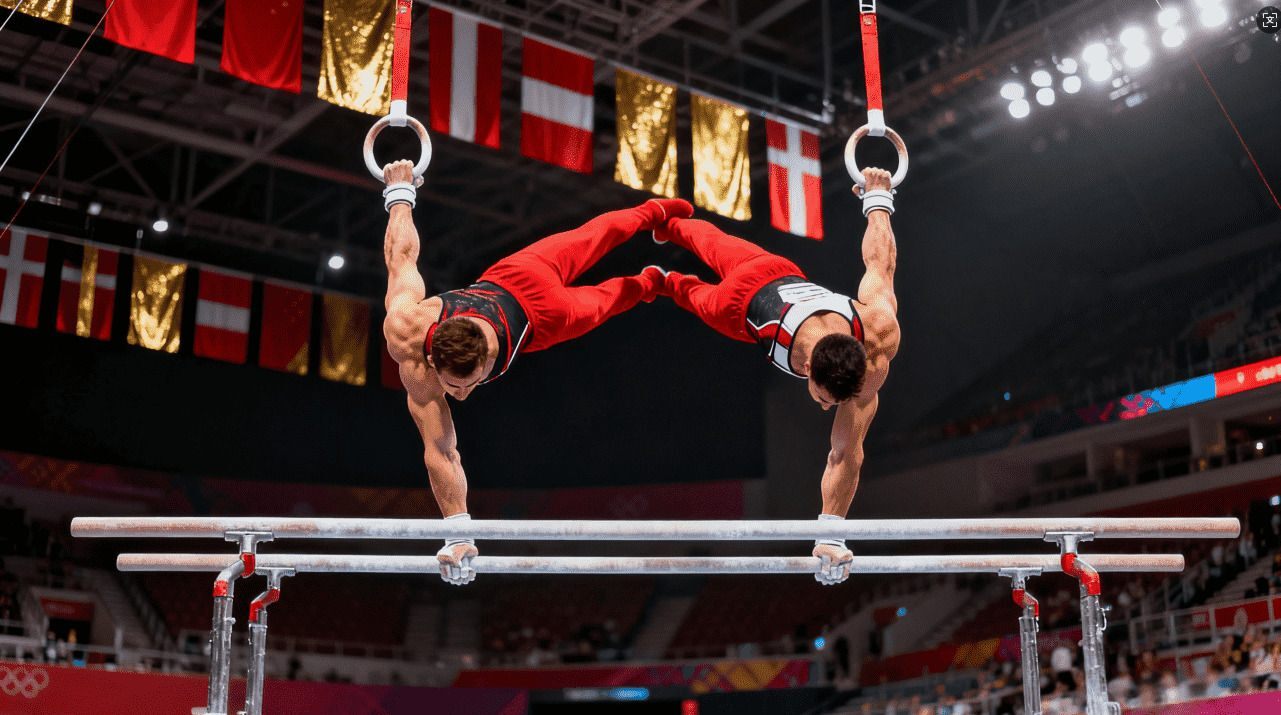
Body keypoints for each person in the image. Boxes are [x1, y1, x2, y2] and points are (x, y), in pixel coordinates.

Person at [379, 160, 690, 585]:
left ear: (486, 361)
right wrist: (399, 195)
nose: (463, 394)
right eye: (455, 385)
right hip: (524, 307)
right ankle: (653, 281)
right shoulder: (408, 335)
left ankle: (652, 213)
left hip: (527, 295)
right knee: (610, 298)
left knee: (592, 240)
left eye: (471, 383)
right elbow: (401, 260)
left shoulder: (470, 356)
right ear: (433, 361)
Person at [651, 167, 901, 584]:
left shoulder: (877, 338)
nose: (827, 408)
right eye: (824, 397)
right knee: (699, 253)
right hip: (740, 304)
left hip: (776, 273)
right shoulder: (804, 351)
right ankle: (666, 232)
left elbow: (880, 265)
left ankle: (663, 271)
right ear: (807, 369)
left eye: (834, 401)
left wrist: (878, 201)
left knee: (691, 268)